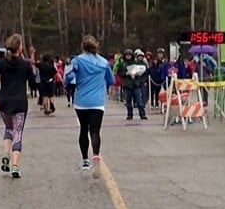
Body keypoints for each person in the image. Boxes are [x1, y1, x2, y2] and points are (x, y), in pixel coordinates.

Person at [64, 35, 115, 177]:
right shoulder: (104, 62)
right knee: (95, 131)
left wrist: (70, 80)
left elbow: (68, 76)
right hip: (98, 102)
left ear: (82, 47)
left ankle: (85, 160)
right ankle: (96, 156)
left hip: (81, 101)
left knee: (83, 129)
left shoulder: (77, 60)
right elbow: (111, 79)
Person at [0, 34, 37, 178]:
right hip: (20, 102)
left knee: (8, 128)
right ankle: (15, 166)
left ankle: (6, 153)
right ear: (19, 47)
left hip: (4, 102)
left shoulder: (1, 63)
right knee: (17, 132)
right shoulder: (25, 64)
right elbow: (34, 83)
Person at [117, 49, 148, 120]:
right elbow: (119, 73)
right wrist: (125, 74)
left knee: (139, 100)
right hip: (127, 84)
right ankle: (129, 114)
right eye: (127, 55)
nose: (128, 56)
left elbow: (143, 69)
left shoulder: (136, 62)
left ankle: (142, 114)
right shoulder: (122, 64)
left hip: (136, 83)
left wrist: (138, 73)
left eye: (129, 55)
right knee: (128, 101)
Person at [30, 47, 57, 115]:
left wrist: (32, 53)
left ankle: (46, 109)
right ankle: (51, 103)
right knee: (51, 95)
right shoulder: (51, 66)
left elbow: (33, 62)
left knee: (44, 96)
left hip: (43, 82)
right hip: (50, 82)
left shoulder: (41, 65)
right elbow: (56, 73)